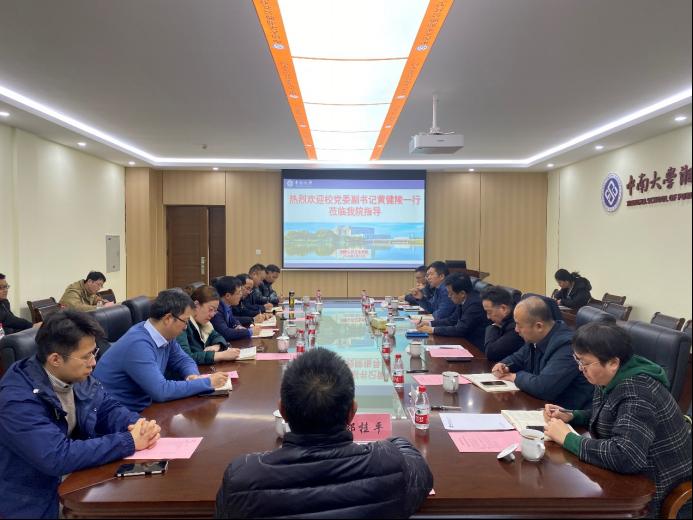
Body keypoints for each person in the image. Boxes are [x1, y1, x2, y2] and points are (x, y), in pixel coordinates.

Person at [215, 348, 433, 518]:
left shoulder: (241, 477)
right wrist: (391, 443)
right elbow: (420, 469)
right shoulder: (389, 463)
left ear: (283, 411)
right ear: (352, 412)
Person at [0, 310, 161, 519]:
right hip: (32, 500)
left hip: (76, 480)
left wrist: (137, 424)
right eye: (86, 356)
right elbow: (56, 456)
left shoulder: (75, 375)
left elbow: (107, 408)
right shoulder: (16, 400)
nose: (93, 362)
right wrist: (128, 441)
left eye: (94, 353)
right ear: (55, 359)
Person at [544, 321, 692, 518]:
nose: (580, 368)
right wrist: (572, 415)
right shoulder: (611, 376)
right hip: (630, 477)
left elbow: (626, 457)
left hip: (656, 490)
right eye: (578, 360)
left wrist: (568, 439)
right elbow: (610, 414)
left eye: (585, 363)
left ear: (613, 363)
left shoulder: (637, 392)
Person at [93, 289, 229, 412]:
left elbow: (183, 359)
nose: (185, 327)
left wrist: (191, 375)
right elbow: (161, 391)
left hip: (143, 406)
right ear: (168, 318)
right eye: (185, 321)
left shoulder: (165, 335)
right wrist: (207, 382)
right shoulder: (138, 344)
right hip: (119, 414)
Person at [491, 296, 593, 410]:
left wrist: (514, 377)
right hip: (544, 407)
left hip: (569, 414)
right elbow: (517, 358)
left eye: (519, 325)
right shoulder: (536, 338)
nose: (516, 329)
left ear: (539, 326)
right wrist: (504, 365)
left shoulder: (567, 345)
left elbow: (544, 388)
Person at [416, 273, 489, 349]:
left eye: (451, 293)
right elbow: (452, 320)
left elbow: (460, 329)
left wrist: (433, 330)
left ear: (462, 293)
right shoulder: (464, 299)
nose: (449, 296)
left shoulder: (475, 305)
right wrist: (430, 323)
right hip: (464, 342)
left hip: (475, 348)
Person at [176, 285, 240, 365]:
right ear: (196, 305)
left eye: (215, 311)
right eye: (210, 309)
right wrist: (219, 355)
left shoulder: (204, 323)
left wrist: (217, 345)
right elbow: (185, 358)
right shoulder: (182, 324)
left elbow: (217, 336)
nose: (212, 315)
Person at [481, 286, 524, 362]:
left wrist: (493, 327)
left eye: (489, 312)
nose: (488, 317)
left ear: (503, 308)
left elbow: (491, 353)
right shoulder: (505, 320)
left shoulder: (516, 327)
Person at [212, 276, 261, 340]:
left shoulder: (227, 305)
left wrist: (238, 326)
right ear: (227, 296)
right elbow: (226, 333)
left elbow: (233, 320)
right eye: (239, 292)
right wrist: (249, 332)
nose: (241, 295)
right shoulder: (216, 310)